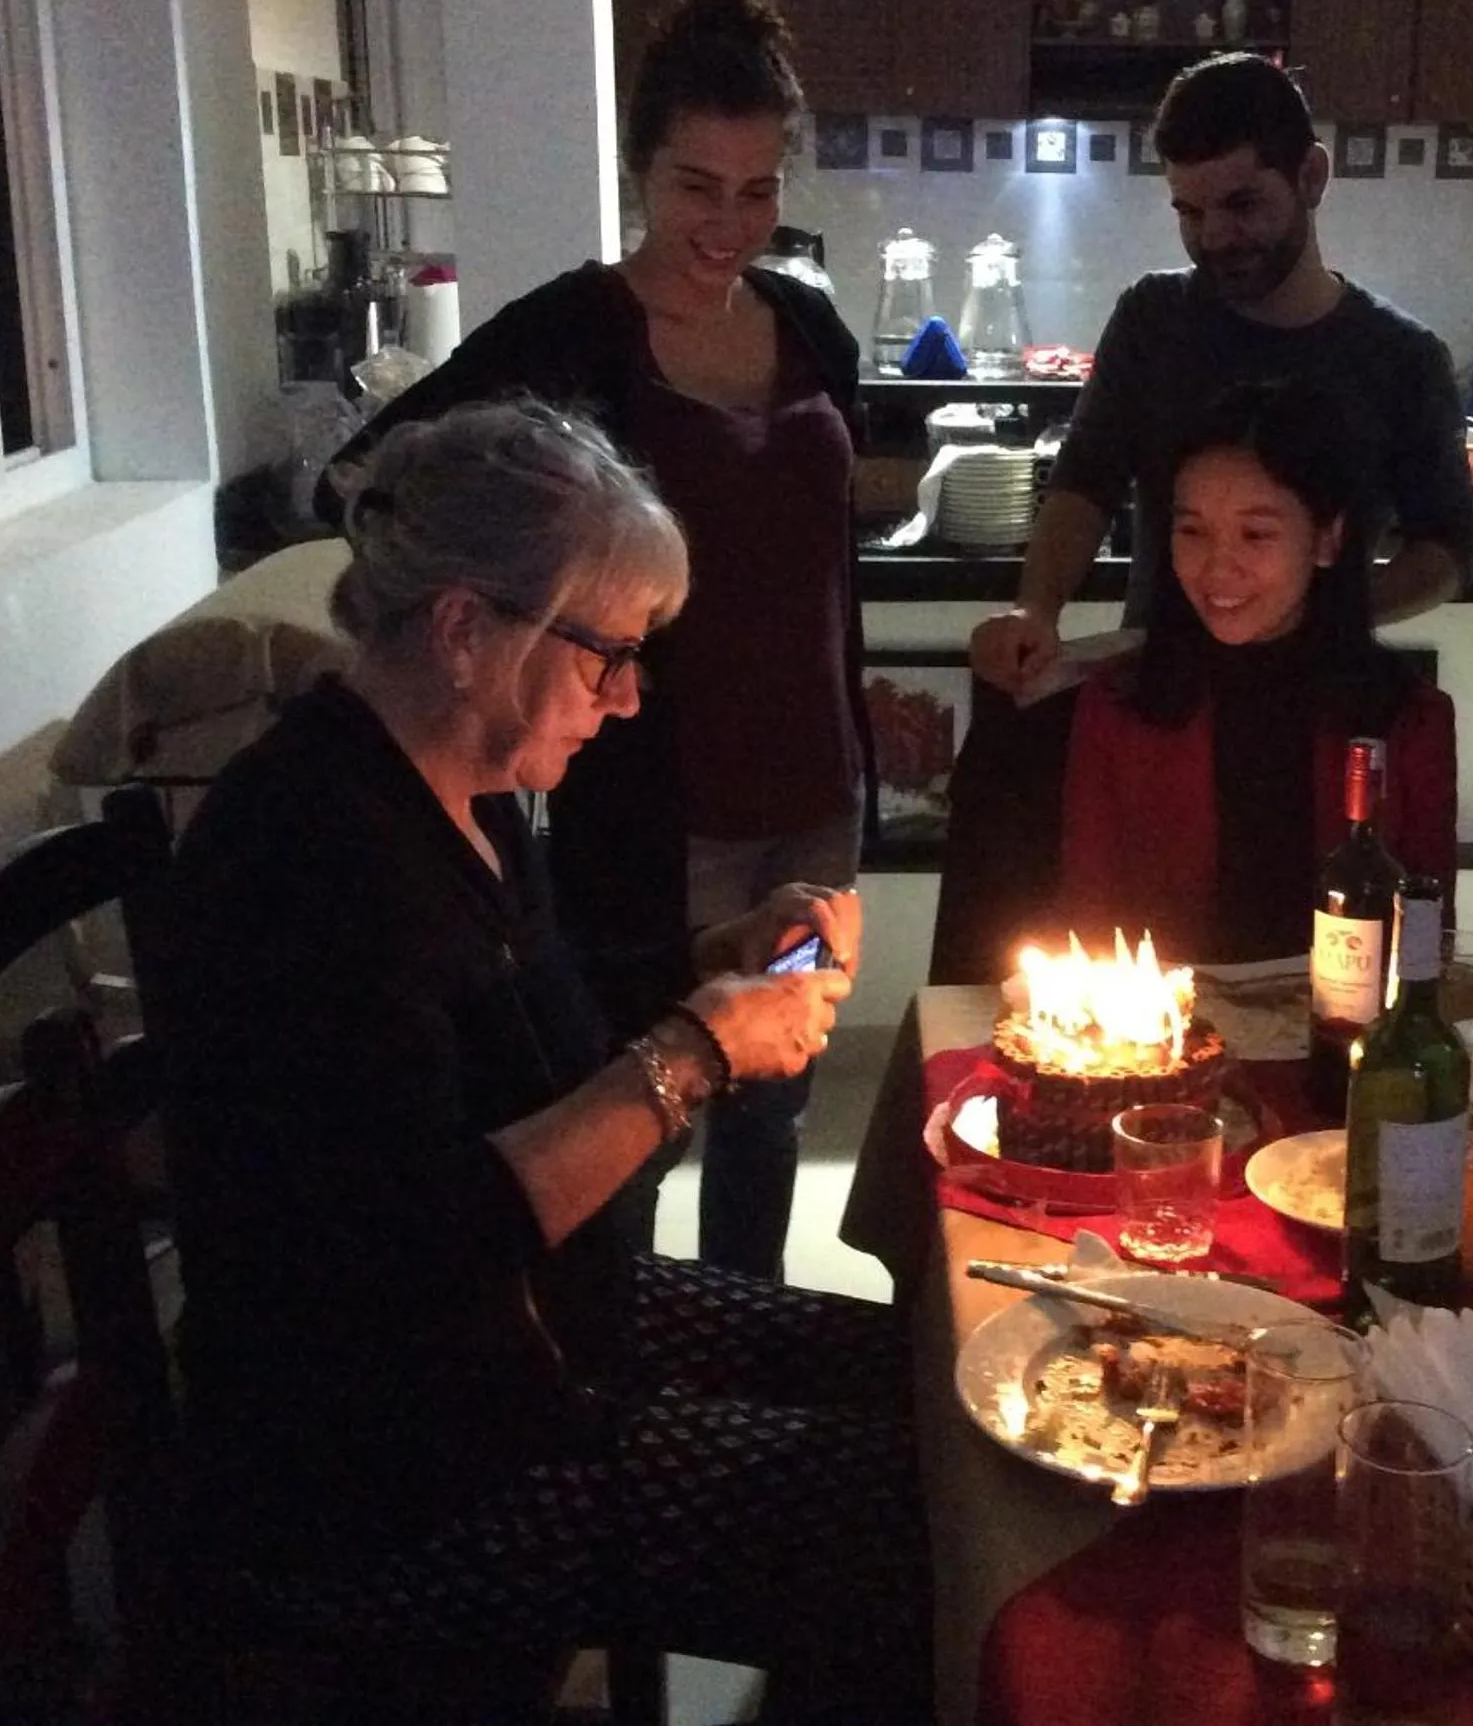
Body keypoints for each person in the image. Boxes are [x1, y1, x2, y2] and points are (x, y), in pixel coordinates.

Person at [156, 401, 928, 1721]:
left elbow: (523, 1011)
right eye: (607, 653)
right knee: (900, 1525)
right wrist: (693, 1053)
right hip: (392, 1477)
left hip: (536, 1337)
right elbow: (424, 1243)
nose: (628, 696)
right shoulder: (306, 861)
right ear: (464, 629)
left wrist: (712, 954)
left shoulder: (454, 786)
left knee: (912, 1371)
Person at [316, 0, 866, 1282]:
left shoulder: (810, 329)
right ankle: (607, 1325)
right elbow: (366, 478)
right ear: (639, 172)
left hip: (814, 784)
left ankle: (740, 1316)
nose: (728, 223)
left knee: (775, 1097)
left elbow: (821, 554)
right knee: (642, 1087)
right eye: (696, 186)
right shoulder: (571, 331)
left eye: (758, 191)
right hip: (654, 795)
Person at [967, 52, 1473, 698]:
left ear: (1311, 177)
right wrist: (1036, 609)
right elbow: (1084, 484)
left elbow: (1448, 550)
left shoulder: (1402, 357)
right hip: (1161, 698)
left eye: (1242, 205)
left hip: (1319, 701)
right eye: (1190, 212)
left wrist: (1316, 620)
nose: (1213, 238)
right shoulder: (1153, 318)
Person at [940, 380, 1456, 977]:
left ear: (1326, 539)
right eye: (1192, 531)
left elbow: (1425, 952)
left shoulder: (1406, 717)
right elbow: (1094, 928)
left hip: (1345, 1030)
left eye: (1255, 534)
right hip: (1157, 1027)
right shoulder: (1119, 704)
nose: (1217, 567)